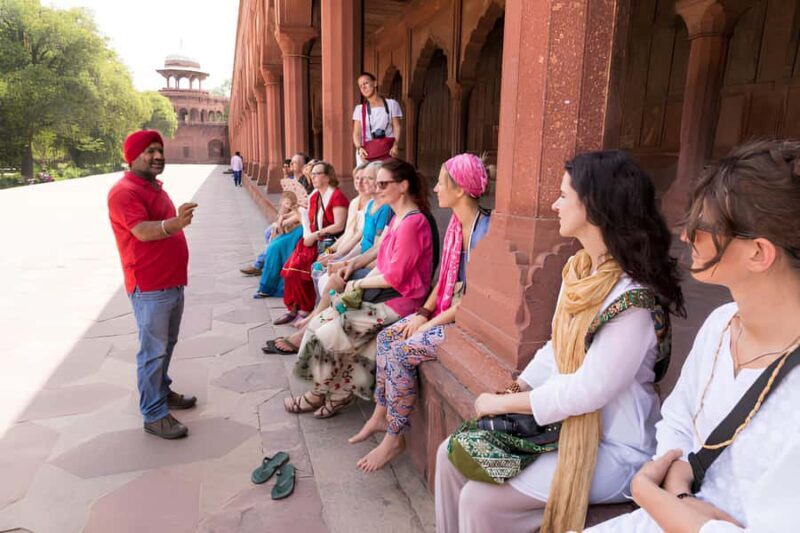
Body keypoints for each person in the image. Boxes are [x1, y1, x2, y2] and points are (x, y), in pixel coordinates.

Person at [434, 150, 685, 533]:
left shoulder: (632, 301)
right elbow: (556, 347)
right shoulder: (580, 270)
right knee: (449, 456)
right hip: (558, 430)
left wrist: (502, 402)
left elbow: (587, 391)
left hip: (612, 449)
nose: (554, 203)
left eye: (564, 195)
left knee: (480, 502)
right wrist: (521, 384)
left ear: (595, 207)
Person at [587, 140, 800, 533]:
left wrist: (647, 490)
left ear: (759, 253)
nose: (685, 236)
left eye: (702, 228)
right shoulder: (721, 324)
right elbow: (679, 419)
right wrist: (681, 488)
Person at [351, 153, 492, 473]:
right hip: (446, 311)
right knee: (389, 336)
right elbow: (444, 279)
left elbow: (473, 300)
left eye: (442, 183)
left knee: (400, 350)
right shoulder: (458, 224)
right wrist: (423, 312)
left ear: (460, 189)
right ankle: (380, 411)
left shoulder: (486, 232)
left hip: (467, 323)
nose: (437, 189)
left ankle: (395, 436)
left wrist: (427, 322)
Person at [283, 158, 435, 419]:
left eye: (383, 184)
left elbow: (393, 277)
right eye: (376, 183)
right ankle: (338, 393)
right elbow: (380, 256)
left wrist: (356, 283)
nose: (376, 189)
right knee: (319, 322)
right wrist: (351, 268)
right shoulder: (399, 218)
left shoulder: (413, 222)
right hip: (382, 295)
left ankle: (319, 393)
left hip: (400, 300)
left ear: (403, 186)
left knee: (328, 335)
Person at [107, 130, 199, 440]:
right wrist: (175, 223)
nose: (158, 156)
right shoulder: (124, 192)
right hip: (149, 286)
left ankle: (161, 390)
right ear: (131, 157)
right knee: (153, 352)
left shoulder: (152, 187)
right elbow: (143, 231)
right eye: (149, 151)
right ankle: (154, 413)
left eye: (160, 150)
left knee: (165, 346)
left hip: (170, 283)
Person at [275, 161, 349, 325]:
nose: (312, 176)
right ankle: (294, 308)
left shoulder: (337, 196)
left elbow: (339, 225)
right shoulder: (315, 195)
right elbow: (305, 219)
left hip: (328, 244)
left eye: (317, 173)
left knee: (301, 267)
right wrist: (293, 208)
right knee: (290, 270)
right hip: (312, 240)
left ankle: (305, 309)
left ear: (328, 176)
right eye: (312, 173)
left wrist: (316, 235)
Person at [252, 191, 304, 298]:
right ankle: (266, 285)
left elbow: (293, 219)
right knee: (272, 245)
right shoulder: (290, 210)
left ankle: (270, 285)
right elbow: (286, 219)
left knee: (274, 247)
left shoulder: (299, 208)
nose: (313, 177)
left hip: (301, 231)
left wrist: (282, 221)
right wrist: (282, 217)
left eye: (288, 203)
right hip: (295, 230)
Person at [353, 72, 403, 164]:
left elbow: (397, 127)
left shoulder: (391, 104)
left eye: (366, 83)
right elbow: (356, 132)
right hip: (366, 153)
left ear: (375, 83)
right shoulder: (360, 109)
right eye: (360, 86)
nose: (363, 87)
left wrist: (396, 145)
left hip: (388, 151)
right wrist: (359, 147)